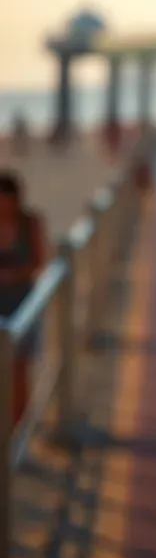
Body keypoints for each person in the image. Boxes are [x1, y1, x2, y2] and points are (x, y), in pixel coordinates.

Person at [0, 171, 47, 426]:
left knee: (18, 370)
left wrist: (13, 275)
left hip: (21, 303)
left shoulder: (31, 223)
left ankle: (19, 427)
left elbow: (39, 260)